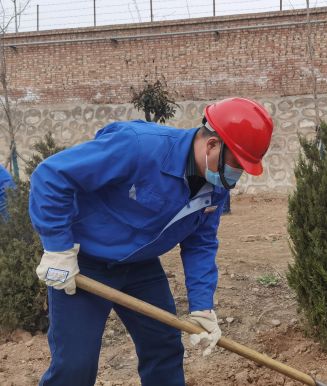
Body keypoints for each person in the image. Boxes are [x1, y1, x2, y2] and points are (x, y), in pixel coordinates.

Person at [30, 97, 273, 386]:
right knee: (75, 366)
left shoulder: (215, 187)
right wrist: (58, 248)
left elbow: (201, 243)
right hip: (84, 264)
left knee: (164, 348)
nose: (237, 174)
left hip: (140, 267)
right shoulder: (138, 147)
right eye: (236, 163)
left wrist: (202, 306)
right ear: (212, 145)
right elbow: (52, 175)